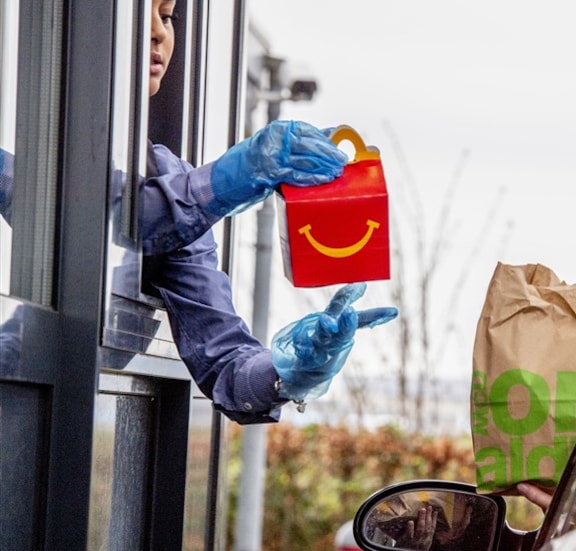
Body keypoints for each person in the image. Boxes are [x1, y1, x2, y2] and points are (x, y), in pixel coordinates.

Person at [0, 0, 397, 423]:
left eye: (166, 15)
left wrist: (289, 370)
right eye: (136, 12)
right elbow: (87, 213)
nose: (158, 32)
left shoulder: (164, 176)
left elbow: (225, 360)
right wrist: (229, 179)